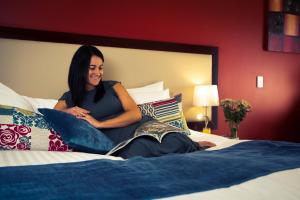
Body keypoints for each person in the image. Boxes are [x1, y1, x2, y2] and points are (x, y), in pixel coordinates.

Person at [54, 45, 216, 158]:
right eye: (92, 68)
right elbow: (53, 115)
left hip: (143, 127)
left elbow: (135, 114)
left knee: (173, 139)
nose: (98, 72)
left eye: (101, 67)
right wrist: (69, 111)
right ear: (80, 68)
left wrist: (99, 124)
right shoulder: (69, 97)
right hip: (121, 142)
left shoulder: (114, 86)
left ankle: (192, 146)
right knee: (138, 151)